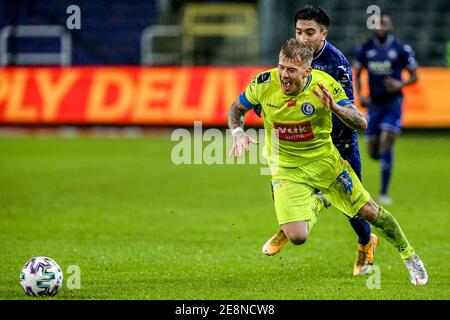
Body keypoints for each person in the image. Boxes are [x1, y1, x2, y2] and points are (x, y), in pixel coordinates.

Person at [227, 38, 428, 285]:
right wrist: (238, 133)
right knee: (297, 236)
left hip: (325, 165)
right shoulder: (264, 83)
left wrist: (336, 108)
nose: (284, 75)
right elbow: (235, 109)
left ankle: (409, 256)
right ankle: (318, 202)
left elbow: (361, 121)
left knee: (369, 212)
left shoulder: (325, 86)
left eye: (291, 70)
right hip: (286, 168)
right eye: (281, 67)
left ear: (307, 71)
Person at [254, 5, 376, 276]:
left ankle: (366, 242)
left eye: (310, 32)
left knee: (353, 207)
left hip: (337, 144)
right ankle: (289, 225)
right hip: (297, 145)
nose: (303, 38)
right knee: (282, 184)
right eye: (299, 31)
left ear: (323, 34)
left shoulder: (336, 63)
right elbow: (269, 90)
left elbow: (349, 110)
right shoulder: (291, 57)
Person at [354, 13, 418, 205]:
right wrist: (360, 96)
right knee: (374, 151)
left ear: (391, 26)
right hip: (374, 105)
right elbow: (357, 74)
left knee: (387, 141)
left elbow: (415, 76)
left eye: (385, 23)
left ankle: (383, 193)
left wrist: (400, 85)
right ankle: (382, 158)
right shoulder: (365, 49)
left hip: (393, 104)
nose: (381, 26)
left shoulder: (400, 49)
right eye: (378, 23)